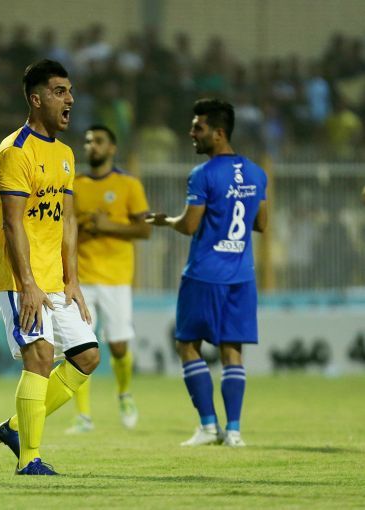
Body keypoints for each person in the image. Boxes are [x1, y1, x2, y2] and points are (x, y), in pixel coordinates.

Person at [0, 59, 100, 475]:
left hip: (54, 278)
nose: (69, 99)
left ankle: (16, 427)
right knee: (39, 356)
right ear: (36, 100)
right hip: (21, 278)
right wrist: (28, 284)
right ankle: (29, 460)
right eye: (59, 92)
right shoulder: (15, 151)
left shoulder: (66, 154)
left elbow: (67, 221)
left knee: (87, 357)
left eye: (70, 91)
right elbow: (12, 222)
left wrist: (72, 280)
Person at [147, 98, 267, 447]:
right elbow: (261, 223)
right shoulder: (257, 173)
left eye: (198, 128)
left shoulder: (203, 174)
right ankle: (234, 432)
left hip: (205, 273)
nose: (192, 133)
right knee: (232, 351)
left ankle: (209, 426)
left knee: (187, 344)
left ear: (218, 133)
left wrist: (165, 221)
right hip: (242, 275)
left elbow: (189, 225)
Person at [66, 125, 151, 434]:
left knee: (117, 346)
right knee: (79, 346)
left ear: (112, 148)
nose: (92, 146)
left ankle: (124, 394)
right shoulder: (75, 185)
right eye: (88, 141)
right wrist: (86, 225)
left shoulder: (128, 184)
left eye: (99, 141)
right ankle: (83, 416)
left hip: (116, 278)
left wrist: (107, 226)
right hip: (82, 279)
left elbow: (144, 229)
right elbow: (65, 225)